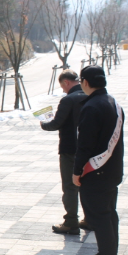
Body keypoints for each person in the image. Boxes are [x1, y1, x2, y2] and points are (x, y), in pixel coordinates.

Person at [73, 66, 124, 255]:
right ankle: (109, 254)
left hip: (96, 172)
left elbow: (84, 144)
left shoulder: (92, 106)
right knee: (109, 214)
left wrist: (77, 172)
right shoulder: (113, 103)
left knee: (99, 216)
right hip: (112, 169)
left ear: (85, 82)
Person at [41, 70, 91, 235]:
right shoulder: (91, 96)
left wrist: (44, 123)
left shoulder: (68, 100)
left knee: (70, 186)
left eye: (62, 86)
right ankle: (90, 219)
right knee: (88, 185)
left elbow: (56, 123)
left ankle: (71, 222)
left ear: (67, 82)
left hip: (70, 149)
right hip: (91, 150)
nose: (62, 89)